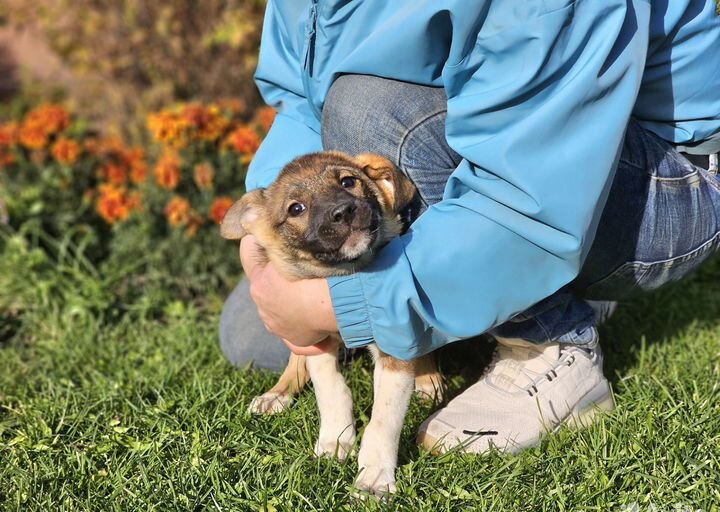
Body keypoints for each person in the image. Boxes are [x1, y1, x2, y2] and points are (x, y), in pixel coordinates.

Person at [220, 0, 720, 453]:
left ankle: (551, 343)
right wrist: (267, 235)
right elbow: (304, 109)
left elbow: (533, 193)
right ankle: (529, 289)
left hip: (660, 177)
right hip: (499, 148)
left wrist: (346, 304)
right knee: (251, 334)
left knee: (366, 108)